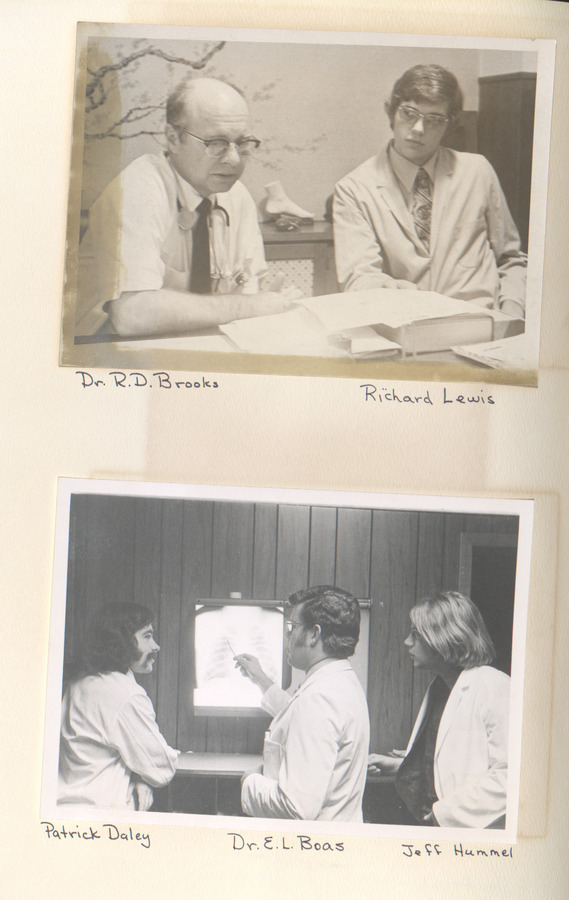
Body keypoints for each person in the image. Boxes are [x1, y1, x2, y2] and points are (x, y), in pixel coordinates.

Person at [77, 77, 299, 337]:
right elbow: (132, 314)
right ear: (172, 138)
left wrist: (267, 300)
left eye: (242, 143)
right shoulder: (139, 187)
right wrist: (251, 305)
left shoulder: (236, 196)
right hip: (98, 348)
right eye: (215, 143)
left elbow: (249, 292)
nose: (233, 159)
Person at [333, 65, 527, 318]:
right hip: (407, 327)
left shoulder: (478, 171)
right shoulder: (354, 189)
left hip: (482, 322)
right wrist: (387, 288)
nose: (418, 128)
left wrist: (513, 307)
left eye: (434, 120)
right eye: (409, 113)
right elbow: (357, 277)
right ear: (390, 112)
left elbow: (511, 259)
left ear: (449, 125)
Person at [368, 591, 510, 829]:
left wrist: (444, 814)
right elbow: (446, 759)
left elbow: (511, 776)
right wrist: (399, 765)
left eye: (415, 634)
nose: (407, 642)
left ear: (445, 638)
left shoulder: (494, 686)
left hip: (468, 831)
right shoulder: (440, 688)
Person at [236, 586, 370, 822]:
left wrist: (250, 782)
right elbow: (298, 714)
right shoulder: (340, 681)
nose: (287, 636)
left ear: (314, 634)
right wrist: (260, 678)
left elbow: (295, 807)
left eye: (292, 628)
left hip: (314, 851)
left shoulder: (319, 698)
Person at [58, 602, 178, 810]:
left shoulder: (78, 684)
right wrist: (141, 778)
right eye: (147, 636)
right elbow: (162, 770)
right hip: (104, 817)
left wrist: (137, 777)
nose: (156, 646)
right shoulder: (125, 695)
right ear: (123, 642)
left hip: (63, 808)